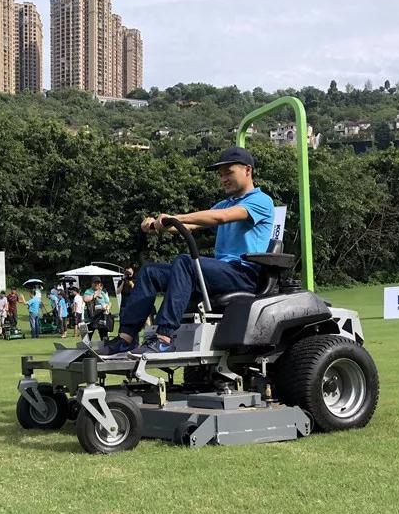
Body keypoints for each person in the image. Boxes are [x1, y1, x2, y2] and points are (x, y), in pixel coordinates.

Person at [98, 146, 274, 356]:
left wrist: (175, 218)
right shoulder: (224, 204)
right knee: (150, 272)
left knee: (185, 262)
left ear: (247, 170)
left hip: (243, 274)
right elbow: (188, 226)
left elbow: (222, 217)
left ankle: (163, 339)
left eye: (228, 172)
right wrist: (156, 226)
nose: (223, 179)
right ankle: (126, 339)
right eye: (220, 175)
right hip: (221, 272)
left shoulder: (260, 200)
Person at [83, 276, 111, 341]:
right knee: (87, 338)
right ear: (92, 283)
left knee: (104, 336)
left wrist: (107, 307)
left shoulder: (102, 292)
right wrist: (94, 295)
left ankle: (105, 346)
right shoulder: (88, 291)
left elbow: (108, 302)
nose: (97, 284)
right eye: (95, 283)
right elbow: (85, 299)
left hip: (102, 317)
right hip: (91, 318)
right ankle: (86, 347)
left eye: (98, 283)